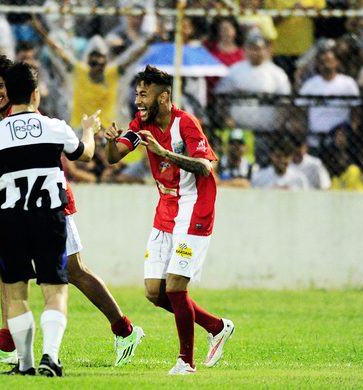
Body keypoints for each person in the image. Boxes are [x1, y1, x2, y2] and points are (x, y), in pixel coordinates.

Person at [0, 53, 145, 368]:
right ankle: (9, 343)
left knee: (74, 271)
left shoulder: (26, 119)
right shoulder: (5, 123)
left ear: (13, 88)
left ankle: (125, 330)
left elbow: (75, 154)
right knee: (6, 271)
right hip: (24, 208)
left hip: (49, 205)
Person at [105, 65, 235, 375]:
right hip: (166, 209)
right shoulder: (140, 124)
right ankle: (216, 327)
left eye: (144, 94)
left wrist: (164, 152)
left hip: (195, 208)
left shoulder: (186, 123)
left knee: (176, 287)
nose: (138, 100)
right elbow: (113, 158)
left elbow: (204, 168)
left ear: (163, 98)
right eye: (137, 93)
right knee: (154, 292)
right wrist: (111, 141)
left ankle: (185, 363)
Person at [215, 33, 291, 167]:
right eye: (251, 48)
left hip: (265, 132)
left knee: (262, 165)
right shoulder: (235, 71)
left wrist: (280, 126)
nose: (255, 52)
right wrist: (226, 118)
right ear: (246, 50)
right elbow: (221, 97)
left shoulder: (277, 74)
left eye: (259, 48)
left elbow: (285, 103)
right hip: (238, 132)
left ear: (266, 50)